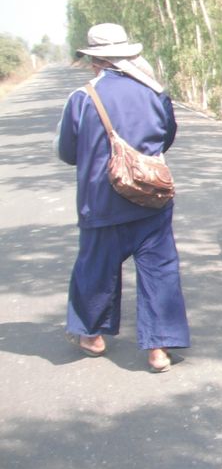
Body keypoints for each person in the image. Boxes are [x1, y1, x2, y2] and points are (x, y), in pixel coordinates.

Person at [57, 23, 189, 373]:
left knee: (96, 269)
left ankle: (92, 337)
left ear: (95, 60)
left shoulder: (84, 97)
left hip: (101, 202)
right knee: (159, 271)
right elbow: (166, 137)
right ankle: (158, 350)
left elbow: (68, 151)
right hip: (151, 197)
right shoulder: (154, 91)